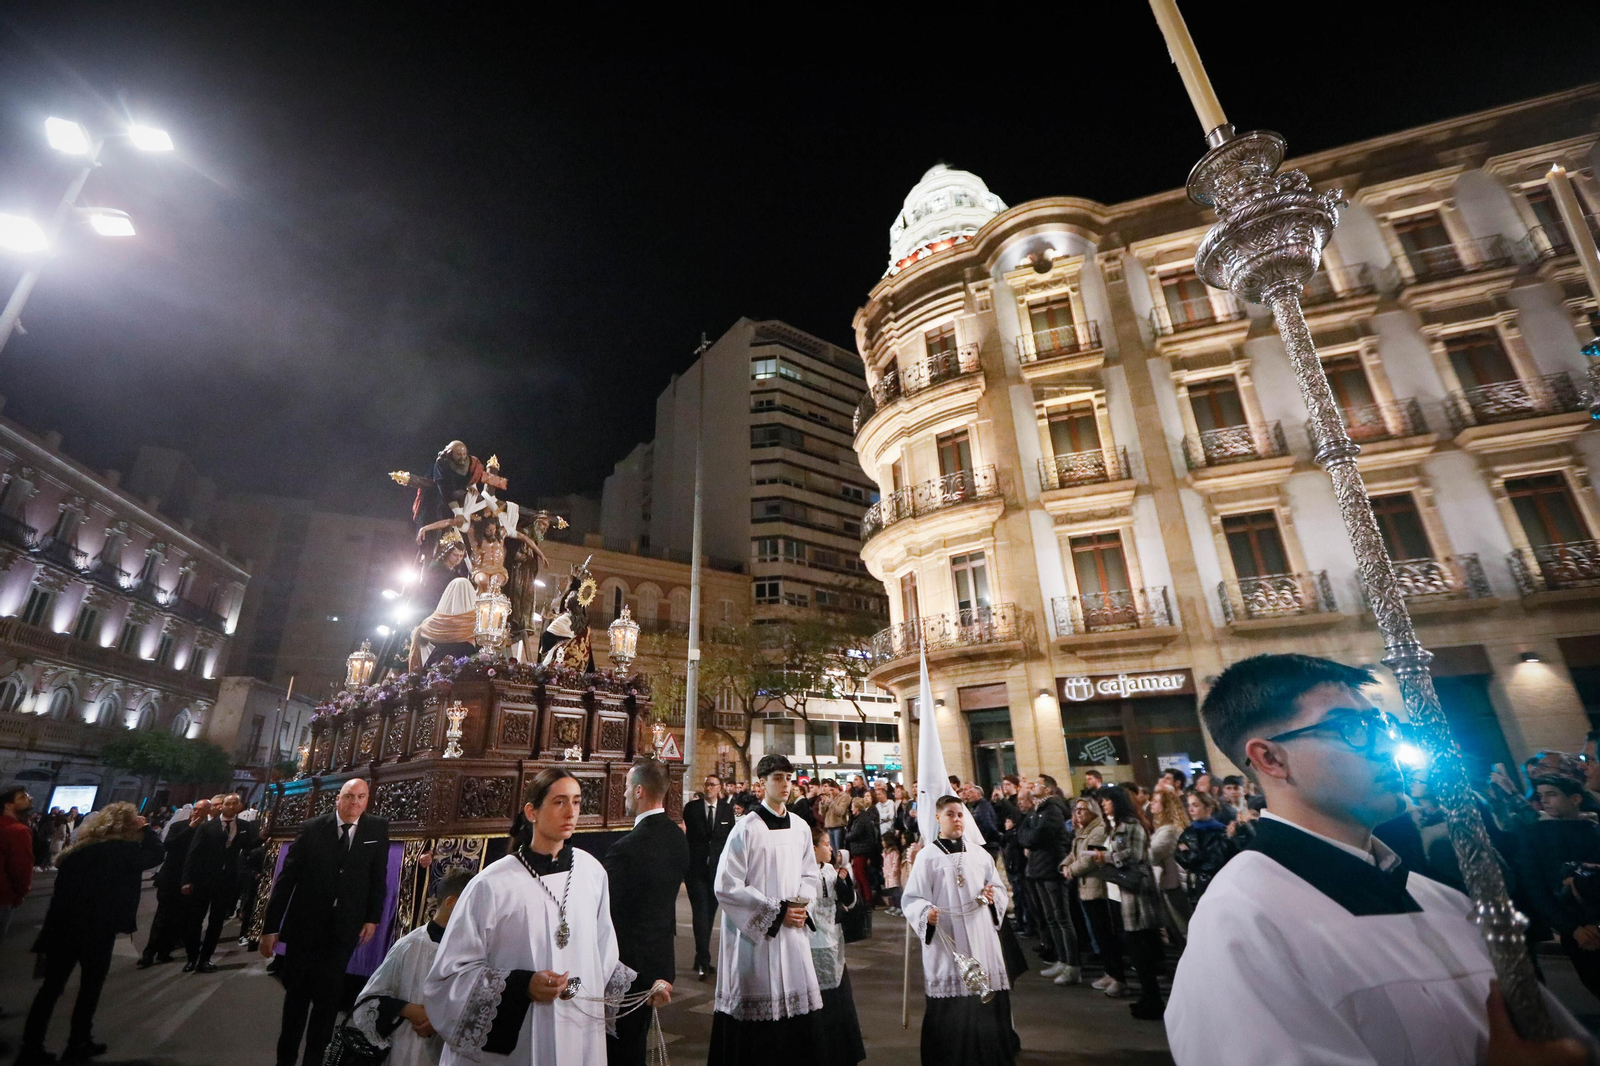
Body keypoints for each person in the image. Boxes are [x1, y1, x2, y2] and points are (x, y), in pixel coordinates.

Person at [1166, 652, 1597, 1064]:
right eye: (1352, 728)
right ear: (1270, 758)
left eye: (1382, 724)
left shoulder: (1445, 901)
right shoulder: (1241, 924)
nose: (1385, 746)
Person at [426, 768, 630, 1065]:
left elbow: (602, 953)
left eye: (576, 802)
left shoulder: (592, 873)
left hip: (576, 1025)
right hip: (519, 1033)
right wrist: (522, 986)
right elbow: (451, 974)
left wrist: (573, 990)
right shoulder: (493, 884)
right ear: (532, 812)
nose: (571, 812)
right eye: (560, 802)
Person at [19, 802, 163, 1065]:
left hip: (63, 926)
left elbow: (60, 896)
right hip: (98, 929)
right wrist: (147, 830)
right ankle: (78, 1042)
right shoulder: (124, 851)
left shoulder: (79, 851)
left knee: (50, 989)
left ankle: (31, 1047)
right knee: (89, 988)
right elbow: (156, 855)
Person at [260, 778, 391, 1066]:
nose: (354, 802)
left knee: (328, 1004)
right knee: (296, 1001)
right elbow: (286, 881)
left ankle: (314, 1061)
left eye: (361, 796)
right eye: (349, 796)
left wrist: (372, 918)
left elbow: (376, 878)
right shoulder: (312, 829)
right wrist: (270, 928)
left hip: (343, 930)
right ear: (338, 799)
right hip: (305, 928)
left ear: (367, 800)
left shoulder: (376, 828)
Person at [708, 753, 825, 1064]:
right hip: (756, 939)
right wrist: (776, 912)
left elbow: (809, 874)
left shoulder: (800, 827)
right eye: (777, 778)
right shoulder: (746, 829)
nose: (785, 784)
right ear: (762, 783)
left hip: (793, 932)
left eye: (789, 778)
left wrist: (799, 905)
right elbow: (727, 886)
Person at [901, 796, 1017, 1066]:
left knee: (985, 1001)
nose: (957, 819)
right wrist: (925, 913)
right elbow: (912, 899)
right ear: (938, 818)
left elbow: (1000, 890)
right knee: (953, 1006)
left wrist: (992, 895)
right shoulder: (927, 857)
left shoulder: (980, 854)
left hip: (981, 936)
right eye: (950, 814)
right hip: (947, 940)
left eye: (961, 814)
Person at [604, 757, 687, 1066]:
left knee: (618, 1050)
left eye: (627, 787)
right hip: (658, 960)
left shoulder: (626, 848)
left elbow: (609, 912)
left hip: (626, 967)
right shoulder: (677, 837)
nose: (624, 793)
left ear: (639, 791)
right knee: (636, 1043)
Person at [350, 871, 475, 1066]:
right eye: (474, 905)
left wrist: (442, 1020)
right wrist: (408, 1009)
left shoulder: (473, 952)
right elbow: (368, 1001)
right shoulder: (410, 946)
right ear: (451, 903)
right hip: (406, 1051)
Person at [1518, 774, 1600, 1001]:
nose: (1544, 800)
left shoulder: (1592, 830)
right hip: (1573, 929)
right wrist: (1572, 928)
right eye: (1541, 795)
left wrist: (1594, 923)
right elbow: (1535, 886)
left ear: (1575, 799)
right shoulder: (1534, 836)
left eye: (1552, 794)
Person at [1090, 785, 1165, 1021]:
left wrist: (1105, 857)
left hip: (1137, 894)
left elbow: (1133, 854)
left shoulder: (1131, 825)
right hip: (1122, 893)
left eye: (1108, 801)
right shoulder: (1117, 827)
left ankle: (1153, 1000)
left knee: (1141, 948)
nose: (1104, 804)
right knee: (1134, 949)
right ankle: (1147, 997)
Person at [808, 824, 866, 1066]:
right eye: (826, 844)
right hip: (810, 945)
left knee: (838, 1000)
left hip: (834, 942)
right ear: (813, 848)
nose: (831, 848)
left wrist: (845, 885)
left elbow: (851, 904)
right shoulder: (802, 873)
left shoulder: (832, 871)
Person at [184, 791, 260, 973]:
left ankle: (205, 958)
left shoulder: (245, 826)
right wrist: (187, 880)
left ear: (240, 807)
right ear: (221, 806)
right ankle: (192, 957)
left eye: (235, 804)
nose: (231, 807)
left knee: (216, 921)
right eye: (228, 804)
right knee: (195, 920)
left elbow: (249, 847)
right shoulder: (207, 827)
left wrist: (262, 838)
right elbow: (193, 854)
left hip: (226, 881)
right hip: (204, 879)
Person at [140, 798, 210, 969]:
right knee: (163, 916)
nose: (197, 812)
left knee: (181, 917)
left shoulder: (208, 829)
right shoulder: (179, 826)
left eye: (202, 810)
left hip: (190, 880)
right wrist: (190, 828)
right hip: (171, 878)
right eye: (196, 809)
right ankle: (149, 953)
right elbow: (170, 845)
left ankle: (166, 949)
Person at [684, 773, 736, 981]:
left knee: (709, 915)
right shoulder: (692, 808)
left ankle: (700, 957)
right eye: (706, 784)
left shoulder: (726, 809)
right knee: (700, 913)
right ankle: (704, 960)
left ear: (720, 788)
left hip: (717, 871)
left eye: (713, 784)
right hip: (695, 870)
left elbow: (730, 838)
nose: (709, 787)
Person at [1061, 798, 1115, 993]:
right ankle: (1109, 972)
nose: (1078, 813)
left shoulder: (1098, 830)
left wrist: (1072, 870)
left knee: (1104, 933)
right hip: (1084, 887)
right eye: (1076, 810)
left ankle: (1114, 974)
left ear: (1093, 812)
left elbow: (1090, 858)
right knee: (1098, 932)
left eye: (1082, 810)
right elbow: (1075, 853)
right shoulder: (1082, 830)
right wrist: (1065, 865)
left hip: (1096, 886)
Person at [1147, 785, 1191, 945]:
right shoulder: (1163, 828)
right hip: (1170, 881)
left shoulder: (1170, 830)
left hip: (1175, 882)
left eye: (1157, 801)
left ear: (1166, 807)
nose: (1152, 804)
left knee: (1183, 926)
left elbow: (1153, 855)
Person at [1175, 791, 1234, 904]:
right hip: (1193, 885)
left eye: (1195, 805)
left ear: (1208, 809)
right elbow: (1180, 857)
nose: (1191, 810)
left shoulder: (1220, 831)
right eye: (1189, 805)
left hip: (1216, 885)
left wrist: (1192, 854)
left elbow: (1215, 862)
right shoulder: (1188, 832)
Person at [844, 795, 879, 906]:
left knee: (861, 876)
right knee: (859, 875)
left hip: (861, 850)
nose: (851, 809)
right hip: (859, 850)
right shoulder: (860, 819)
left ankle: (867, 899)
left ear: (857, 807)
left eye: (853, 807)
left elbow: (854, 834)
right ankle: (862, 897)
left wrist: (846, 835)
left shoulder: (861, 820)